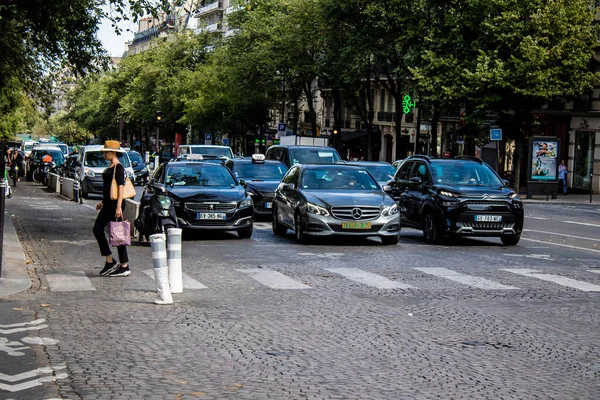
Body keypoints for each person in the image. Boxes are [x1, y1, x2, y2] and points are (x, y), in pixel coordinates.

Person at [93, 140, 130, 277]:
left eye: (106, 152)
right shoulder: (111, 166)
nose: (104, 154)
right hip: (108, 204)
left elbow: (120, 188)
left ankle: (124, 265)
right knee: (97, 229)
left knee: (119, 234)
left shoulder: (119, 168)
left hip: (115, 205)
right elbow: (109, 188)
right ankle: (109, 260)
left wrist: (119, 206)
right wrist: (103, 202)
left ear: (113, 152)